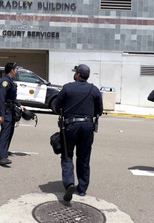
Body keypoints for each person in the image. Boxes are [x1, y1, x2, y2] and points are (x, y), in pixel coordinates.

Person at [55, 64, 103, 202]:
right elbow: (99, 111)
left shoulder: (67, 87)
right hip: (87, 126)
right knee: (84, 158)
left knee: (67, 155)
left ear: (77, 75)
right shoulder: (94, 90)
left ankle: (69, 183)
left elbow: (57, 107)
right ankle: (82, 189)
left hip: (70, 126)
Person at [0, 62, 25, 166]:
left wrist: (19, 105)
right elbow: (1, 98)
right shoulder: (5, 82)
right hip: (6, 111)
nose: (17, 71)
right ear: (12, 70)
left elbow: (12, 98)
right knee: (6, 132)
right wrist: (1, 114)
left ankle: (4, 150)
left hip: (10, 109)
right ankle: (2, 157)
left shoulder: (10, 81)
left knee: (10, 131)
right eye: (16, 69)